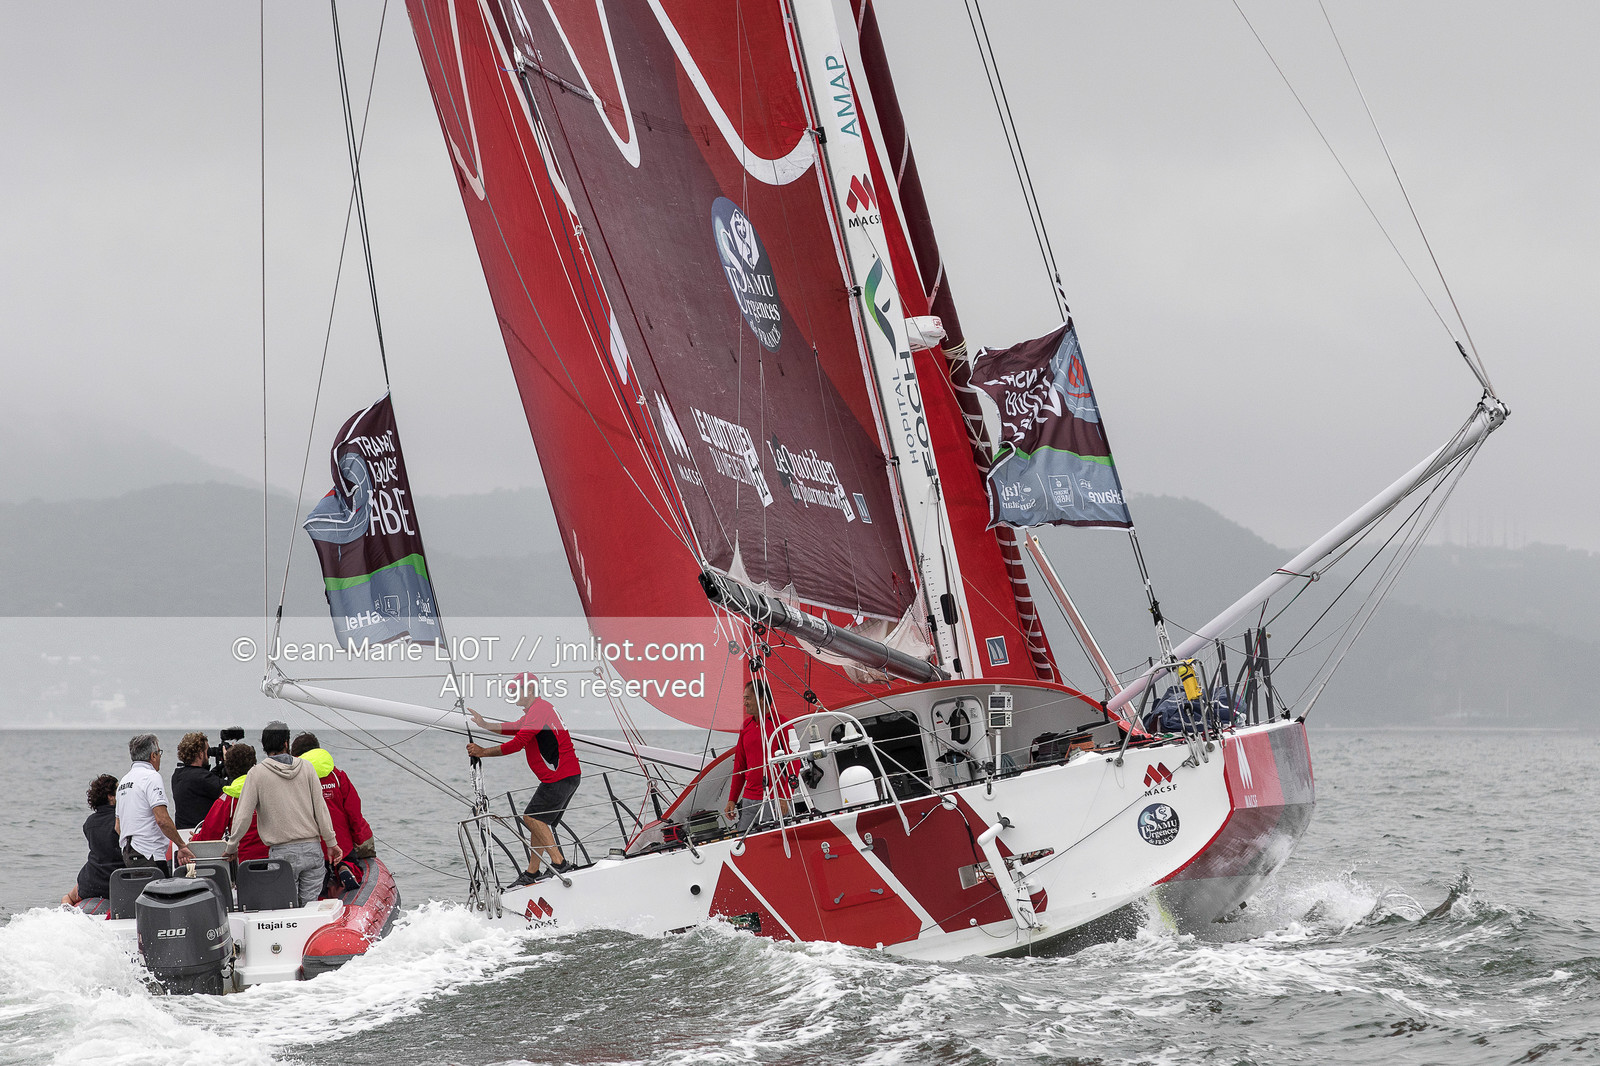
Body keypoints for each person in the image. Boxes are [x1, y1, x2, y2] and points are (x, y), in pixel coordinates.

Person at [466, 672, 581, 888]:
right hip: (562, 775)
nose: (512, 694)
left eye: (515, 690)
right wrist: (484, 724)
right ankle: (532, 872)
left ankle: (560, 864)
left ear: (529, 690)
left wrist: (483, 752)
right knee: (538, 820)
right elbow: (513, 727)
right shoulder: (536, 711)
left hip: (560, 775)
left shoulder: (540, 709)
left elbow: (517, 743)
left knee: (531, 818)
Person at [225, 721, 340, 906]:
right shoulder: (307, 768)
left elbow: (243, 816)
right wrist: (331, 843)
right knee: (309, 906)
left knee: (287, 908)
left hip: (282, 854)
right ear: (286, 743)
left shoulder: (256, 774)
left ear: (264, 746)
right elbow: (321, 810)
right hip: (312, 849)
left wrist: (232, 846)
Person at [290, 732, 375, 895]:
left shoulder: (294, 780)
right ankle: (346, 867)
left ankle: (322, 886)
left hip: (311, 847)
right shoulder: (338, 775)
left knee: (313, 877)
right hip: (340, 843)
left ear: (296, 756)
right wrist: (360, 839)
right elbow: (354, 812)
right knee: (349, 861)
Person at [116, 733, 194, 874]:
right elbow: (162, 819)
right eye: (159, 753)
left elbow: (118, 826)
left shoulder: (124, 781)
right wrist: (181, 845)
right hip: (149, 854)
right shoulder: (151, 777)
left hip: (128, 852)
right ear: (153, 756)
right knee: (162, 888)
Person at [722, 678, 792, 834]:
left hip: (774, 798)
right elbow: (739, 766)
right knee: (742, 840)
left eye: (747, 698)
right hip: (749, 799)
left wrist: (785, 796)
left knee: (771, 842)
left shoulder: (781, 724)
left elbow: (793, 763)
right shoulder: (746, 726)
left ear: (761, 699)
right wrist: (732, 799)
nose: (744, 703)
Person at [191, 743, 268, 862]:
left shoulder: (228, 798)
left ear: (228, 768)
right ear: (254, 764)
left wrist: (195, 839)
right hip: (273, 857)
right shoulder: (267, 790)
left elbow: (210, 835)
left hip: (245, 862)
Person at [62, 774, 123, 907]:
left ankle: (64, 912)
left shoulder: (89, 823)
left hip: (90, 880)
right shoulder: (121, 820)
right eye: (119, 790)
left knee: (67, 898)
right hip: (115, 881)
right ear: (110, 796)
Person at [170, 731, 224, 831]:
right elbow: (229, 788)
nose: (209, 755)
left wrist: (220, 767)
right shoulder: (201, 777)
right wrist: (231, 762)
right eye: (207, 751)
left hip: (183, 832)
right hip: (200, 834)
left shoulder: (177, 775)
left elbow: (204, 783)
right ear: (200, 754)